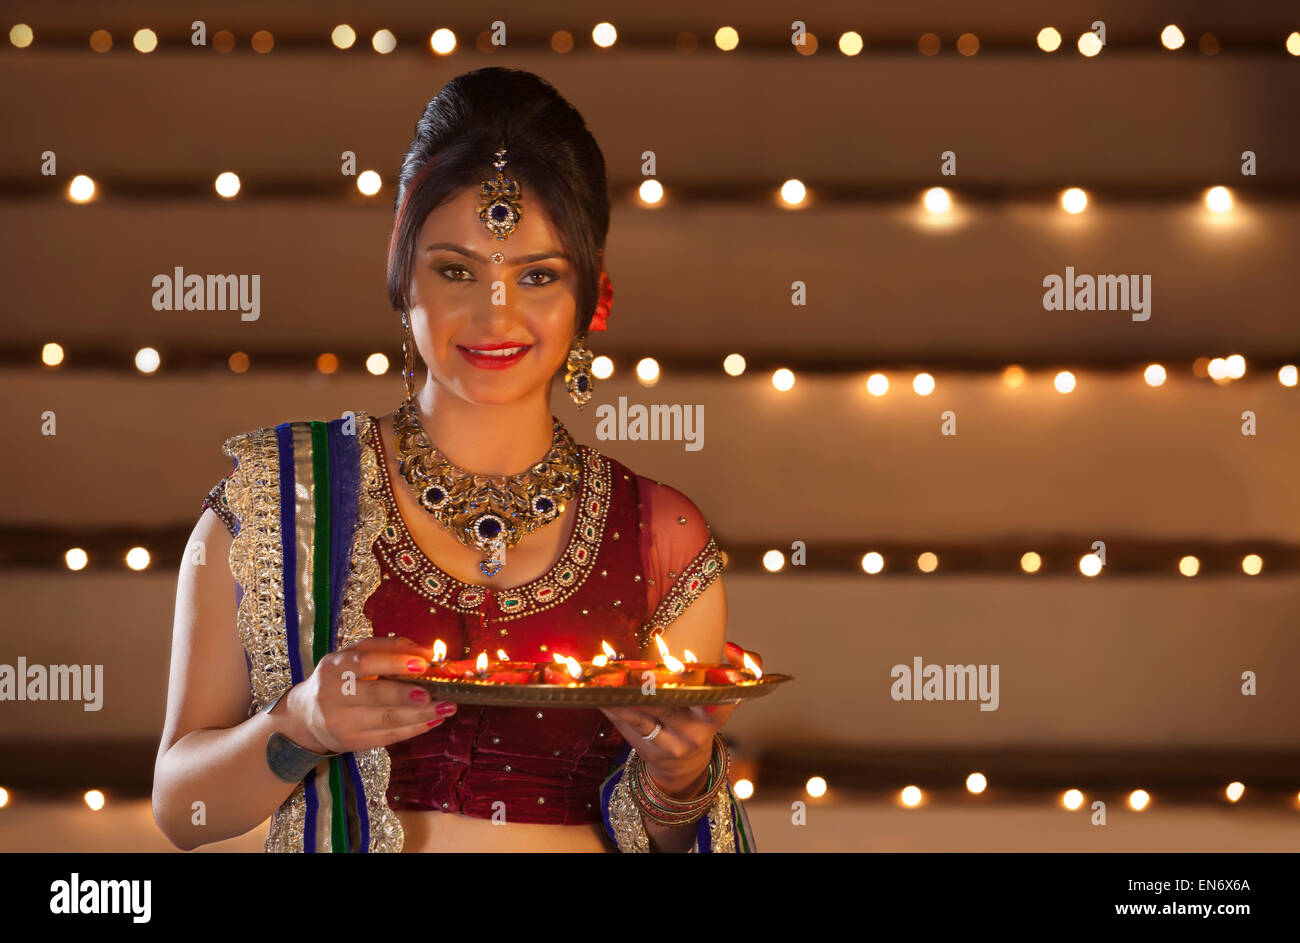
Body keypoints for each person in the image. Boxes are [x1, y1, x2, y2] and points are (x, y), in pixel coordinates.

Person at [152, 67, 757, 853]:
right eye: (455, 270)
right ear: (403, 279)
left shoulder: (660, 536)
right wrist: (299, 724)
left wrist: (681, 779)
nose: (493, 313)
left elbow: (681, 838)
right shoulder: (283, 496)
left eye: (536, 275)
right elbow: (181, 809)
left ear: (594, 297)